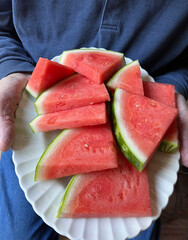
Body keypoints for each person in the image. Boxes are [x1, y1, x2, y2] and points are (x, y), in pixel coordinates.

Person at [0, 1, 187, 239]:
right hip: (27, 97)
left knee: (138, 216)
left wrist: (179, 86)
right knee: (16, 234)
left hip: (150, 99)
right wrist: (9, 67)